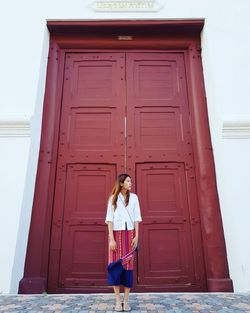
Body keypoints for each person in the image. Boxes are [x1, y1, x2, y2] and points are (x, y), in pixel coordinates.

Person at [105, 174, 142, 312]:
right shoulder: (113, 199)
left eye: (131, 181)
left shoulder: (134, 198)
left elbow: (137, 218)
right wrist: (111, 239)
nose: (130, 183)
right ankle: (117, 301)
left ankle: (126, 302)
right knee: (115, 267)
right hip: (116, 235)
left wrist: (136, 236)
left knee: (128, 267)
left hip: (130, 235)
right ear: (121, 183)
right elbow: (109, 220)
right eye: (127, 181)